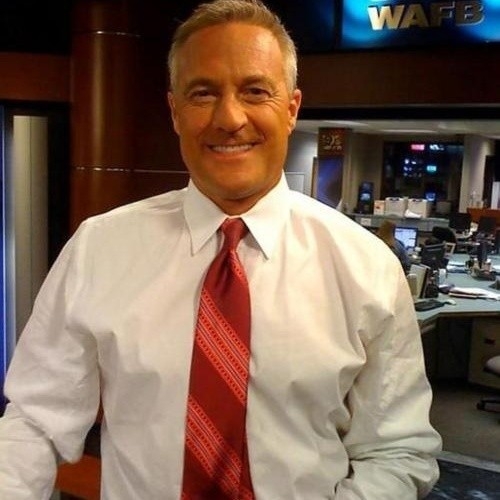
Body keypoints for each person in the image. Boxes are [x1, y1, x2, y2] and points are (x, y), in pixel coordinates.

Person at [0, 0, 441, 498]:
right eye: (203, 93)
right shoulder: (98, 249)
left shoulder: (366, 267)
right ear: (175, 111)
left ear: (292, 108)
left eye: (255, 91)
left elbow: (397, 451)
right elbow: (34, 422)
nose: (230, 118)